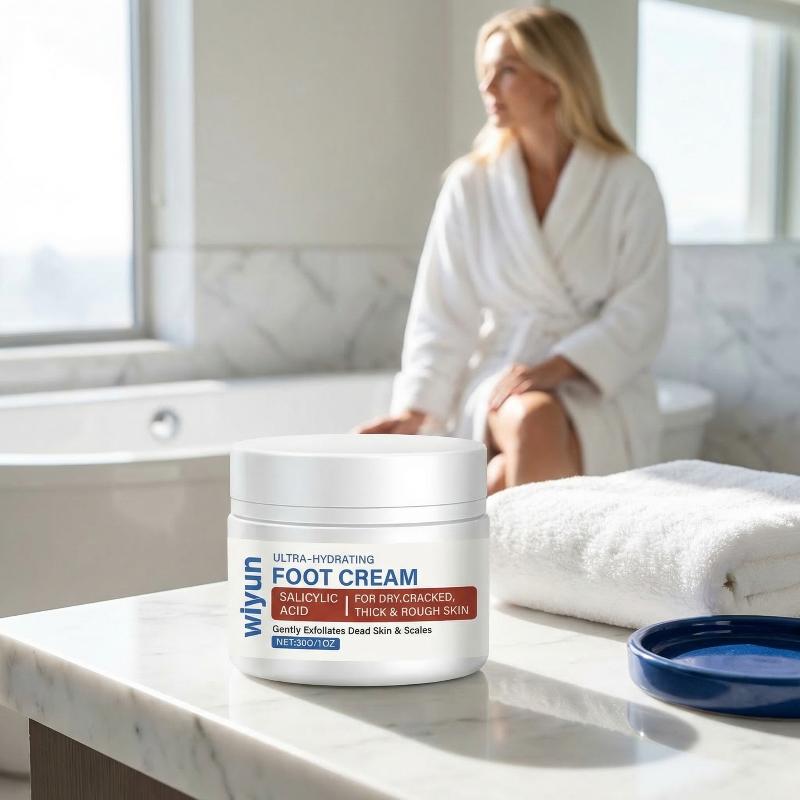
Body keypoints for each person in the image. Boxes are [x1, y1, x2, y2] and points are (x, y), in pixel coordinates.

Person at [355, 7, 668, 495]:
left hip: (601, 381)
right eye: (485, 72)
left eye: (506, 70)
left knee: (504, 479)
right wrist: (419, 408)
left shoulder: (629, 181)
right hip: (506, 371)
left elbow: (642, 309)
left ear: (554, 78)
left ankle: (445, 533)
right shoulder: (471, 184)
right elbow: (443, 311)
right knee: (534, 418)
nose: (487, 86)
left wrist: (560, 365)